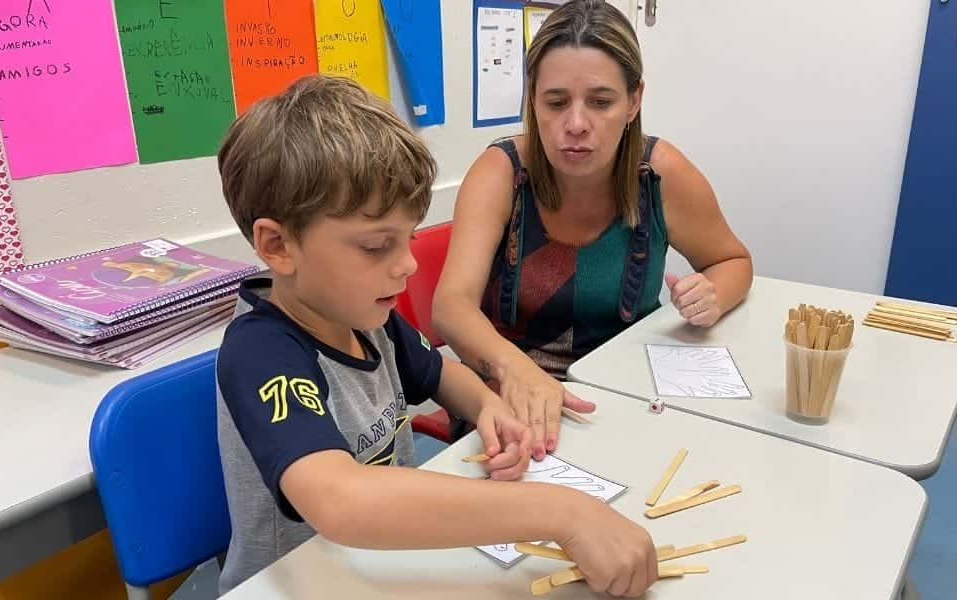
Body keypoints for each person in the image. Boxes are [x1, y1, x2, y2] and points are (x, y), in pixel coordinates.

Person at [214, 74, 658, 597]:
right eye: (377, 246)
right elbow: (340, 501)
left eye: (409, 239)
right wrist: (562, 512)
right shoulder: (260, 351)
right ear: (279, 245)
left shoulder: (363, 318)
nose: (405, 266)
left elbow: (441, 371)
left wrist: (489, 407)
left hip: (379, 569)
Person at [433, 0, 753, 459]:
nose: (576, 124)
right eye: (556, 102)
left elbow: (733, 260)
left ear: (634, 101)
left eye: (601, 102)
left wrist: (714, 295)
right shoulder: (500, 173)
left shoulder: (660, 174)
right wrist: (518, 371)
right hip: (509, 400)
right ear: (532, 98)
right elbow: (450, 307)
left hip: (628, 398)